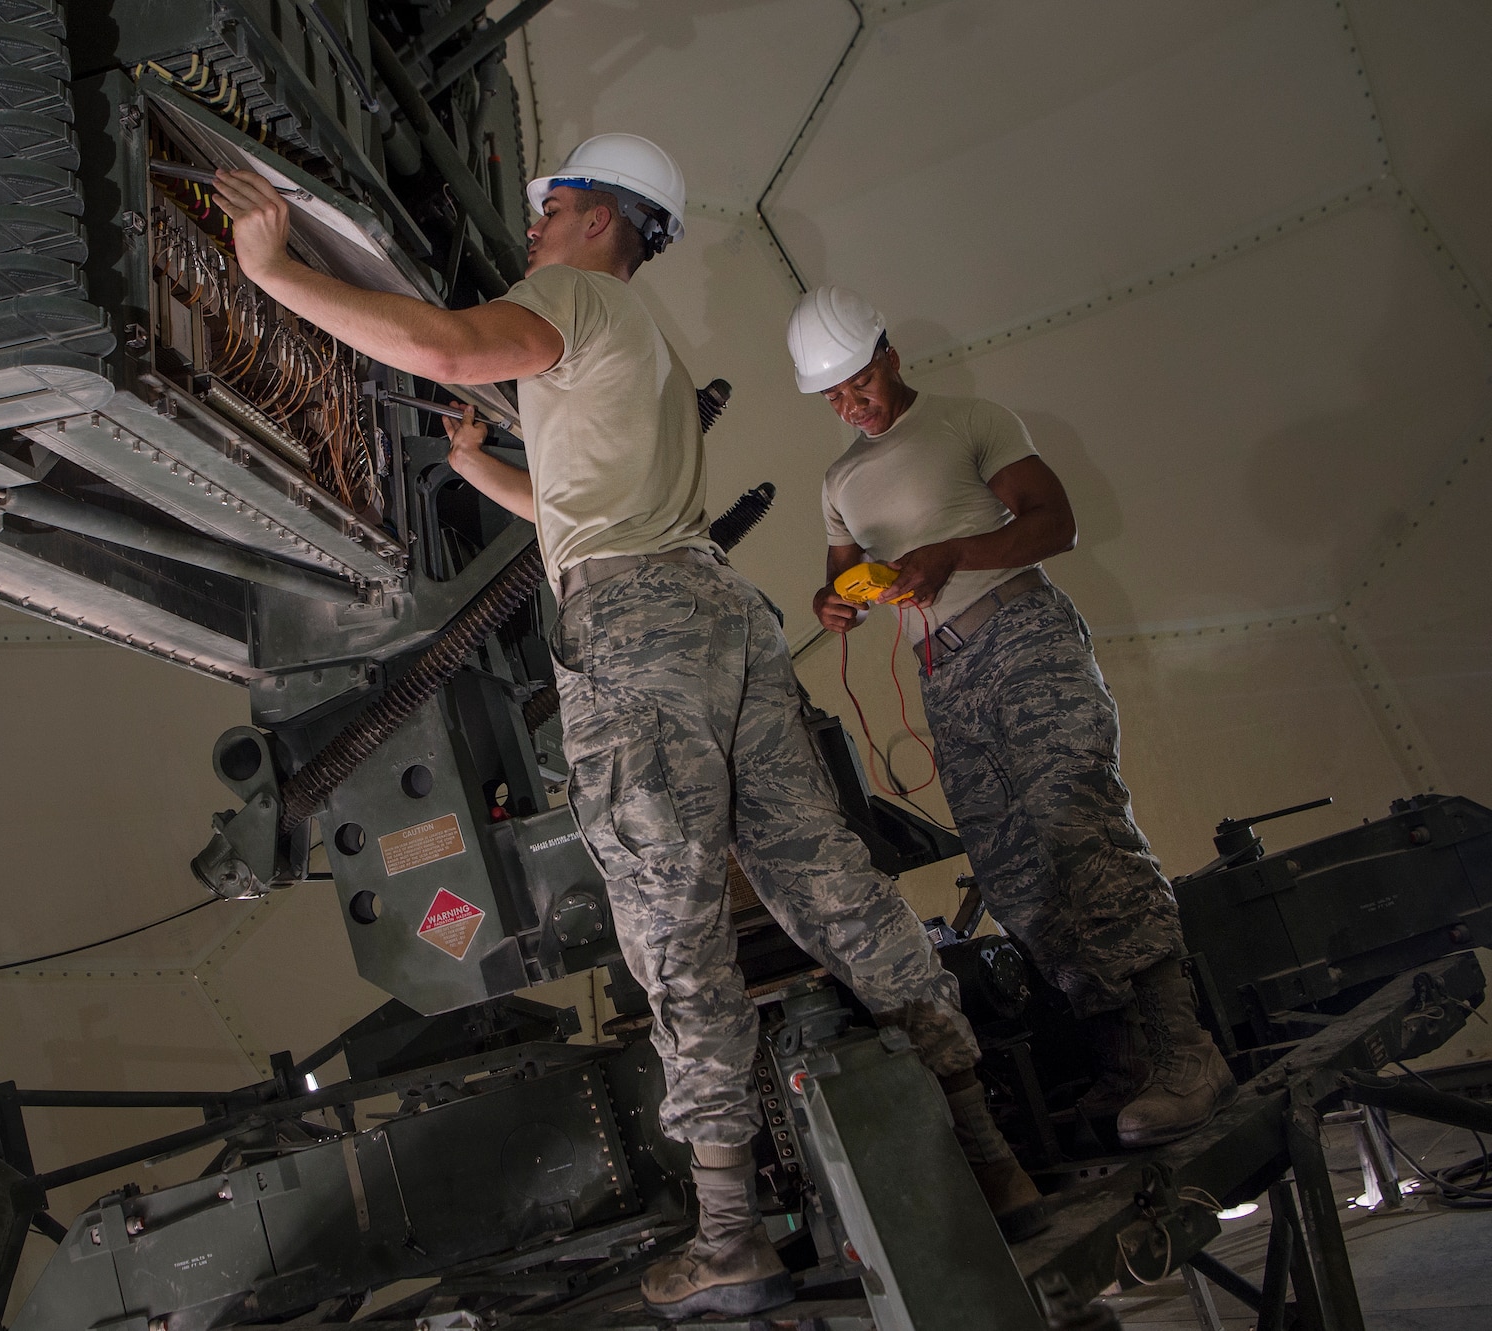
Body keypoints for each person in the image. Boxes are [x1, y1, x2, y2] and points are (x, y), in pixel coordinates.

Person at [212, 137, 1043, 1321]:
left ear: (601, 218)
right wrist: (475, 462)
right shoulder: (638, 345)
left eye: (552, 209)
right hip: (714, 614)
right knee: (832, 892)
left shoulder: (568, 296)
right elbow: (574, 505)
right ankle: (989, 1149)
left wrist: (276, 272)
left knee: (671, 918)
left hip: (636, 632)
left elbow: (442, 341)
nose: (536, 228)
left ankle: (727, 1233)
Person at [789, 285, 1236, 1151]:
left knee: (1080, 830)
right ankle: (1123, 1057)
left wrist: (953, 552)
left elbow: (1056, 522)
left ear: (887, 353)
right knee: (1015, 875)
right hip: (944, 680)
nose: (850, 404)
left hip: (1020, 634)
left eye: (857, 382)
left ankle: (1187, 1054)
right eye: (832, 396)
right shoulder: (839, 480)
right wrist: (832, 602)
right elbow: (840, 574)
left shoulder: (968, 420)